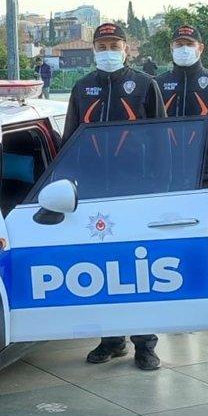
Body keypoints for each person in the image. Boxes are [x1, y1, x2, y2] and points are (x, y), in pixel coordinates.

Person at [62, 22, 165, 371]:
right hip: (94, 196)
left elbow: (159, 139)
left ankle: (145, 344)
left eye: (114, 44)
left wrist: (158, 188)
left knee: (137, 268)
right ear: (94, 49)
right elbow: (70, 141)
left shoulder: (145, 85)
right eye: (102, 45)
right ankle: (111, 340)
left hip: (135, 193)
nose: (108, 51)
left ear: (126, 48)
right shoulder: (82, 87)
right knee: (101, 269)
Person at [156, 25, 208, 328]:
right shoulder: (158, 84)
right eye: (178, 43)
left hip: (205, 180)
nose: (183, 48)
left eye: (189, 43)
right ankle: (174, 305)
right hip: (168, 182)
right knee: (169, 247)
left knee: (207, 246)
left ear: (201, 48)